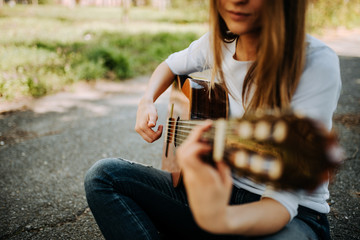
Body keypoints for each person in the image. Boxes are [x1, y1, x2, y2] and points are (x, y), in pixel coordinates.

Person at [84, 0, 341, 239]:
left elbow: (280, 205)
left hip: (290, 215)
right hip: (219, 189)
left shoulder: (313, 62)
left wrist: (216, 217)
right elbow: (171, 65)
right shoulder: (220, 43)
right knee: (104, 176)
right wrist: (146, 101)